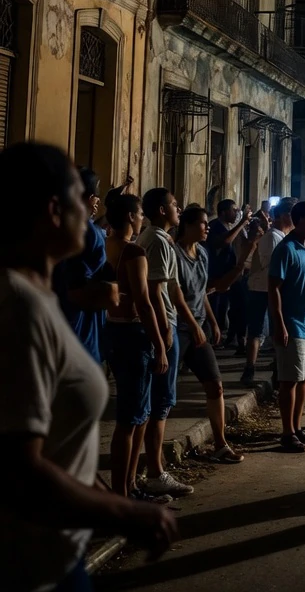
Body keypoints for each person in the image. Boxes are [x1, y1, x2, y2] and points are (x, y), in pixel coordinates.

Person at [0, 143, 177, 592]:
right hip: (27, 565)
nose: (96, 210)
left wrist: (103, 496)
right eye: (86, 198)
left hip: (56, 556)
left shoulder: (41, 297)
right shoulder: (18, 308)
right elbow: (18, 466)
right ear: (55, 210)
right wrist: (123, 512)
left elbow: (64, 446)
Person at [103, 193, 168, 501]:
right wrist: (160, 344)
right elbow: (144, 303)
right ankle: (123, 491)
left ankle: (127, 486)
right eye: (140, 214)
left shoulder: (105, 245)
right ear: (130, 217)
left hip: (111, 332)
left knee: (132, 415)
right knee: (131, 417)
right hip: (133, 335)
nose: (142, 218)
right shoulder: (134, 252)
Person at [175, 206, 246, 463]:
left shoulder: (202, 254)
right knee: (164, 393)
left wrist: (213, 322)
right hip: (177, 329)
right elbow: (176, 295)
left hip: (198, 327)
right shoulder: (174, 253)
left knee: (215, 385)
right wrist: (193, 324)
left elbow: (204, 291)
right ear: (189, 226)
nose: (207, 228)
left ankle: (220, 443)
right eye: (203, 223)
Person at [138, 187, 195, 499]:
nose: (178, 207)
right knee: (160, 402)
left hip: (168, 322)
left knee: (157, 400)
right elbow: (156, 289)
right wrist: (166, 331)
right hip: (164, 325)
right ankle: (155, 471)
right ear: (162, 210)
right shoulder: (157, 240)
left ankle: (150, 468)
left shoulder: (158, 239)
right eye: (174, 204)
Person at [269, 200, 305, 453]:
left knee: (304, 379)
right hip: (292, 324)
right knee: (289, 380)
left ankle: (297, 427)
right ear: (299, 220)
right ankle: (287, 432)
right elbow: (274, 289)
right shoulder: (286, 249)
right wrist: (279, 323)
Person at [52, 166, 115, 363]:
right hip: (80, 334)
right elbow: (79, 292)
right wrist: (111, 292)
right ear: (89, 198)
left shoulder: (48, 224)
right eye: (97, 196)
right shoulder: (87, 232)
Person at [241, 197, 293, 386]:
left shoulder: (285, 237)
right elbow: (267, 266)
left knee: (274, 330)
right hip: (261, 289)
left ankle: (277, 366)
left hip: (274, 290)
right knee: (257, 330)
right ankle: (250, 367)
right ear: (285, 216)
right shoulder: (273, 237)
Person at [204, 199, 255, 348]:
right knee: (216, 309)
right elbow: (225, 241)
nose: (237, 213)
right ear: (224, 212)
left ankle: (233, 337)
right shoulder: (215, 226)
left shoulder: (228, 227)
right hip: (217, 276)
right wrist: (242, 223)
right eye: (234, 210)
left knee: (235, 307)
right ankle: (212, 340)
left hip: (231, 275)